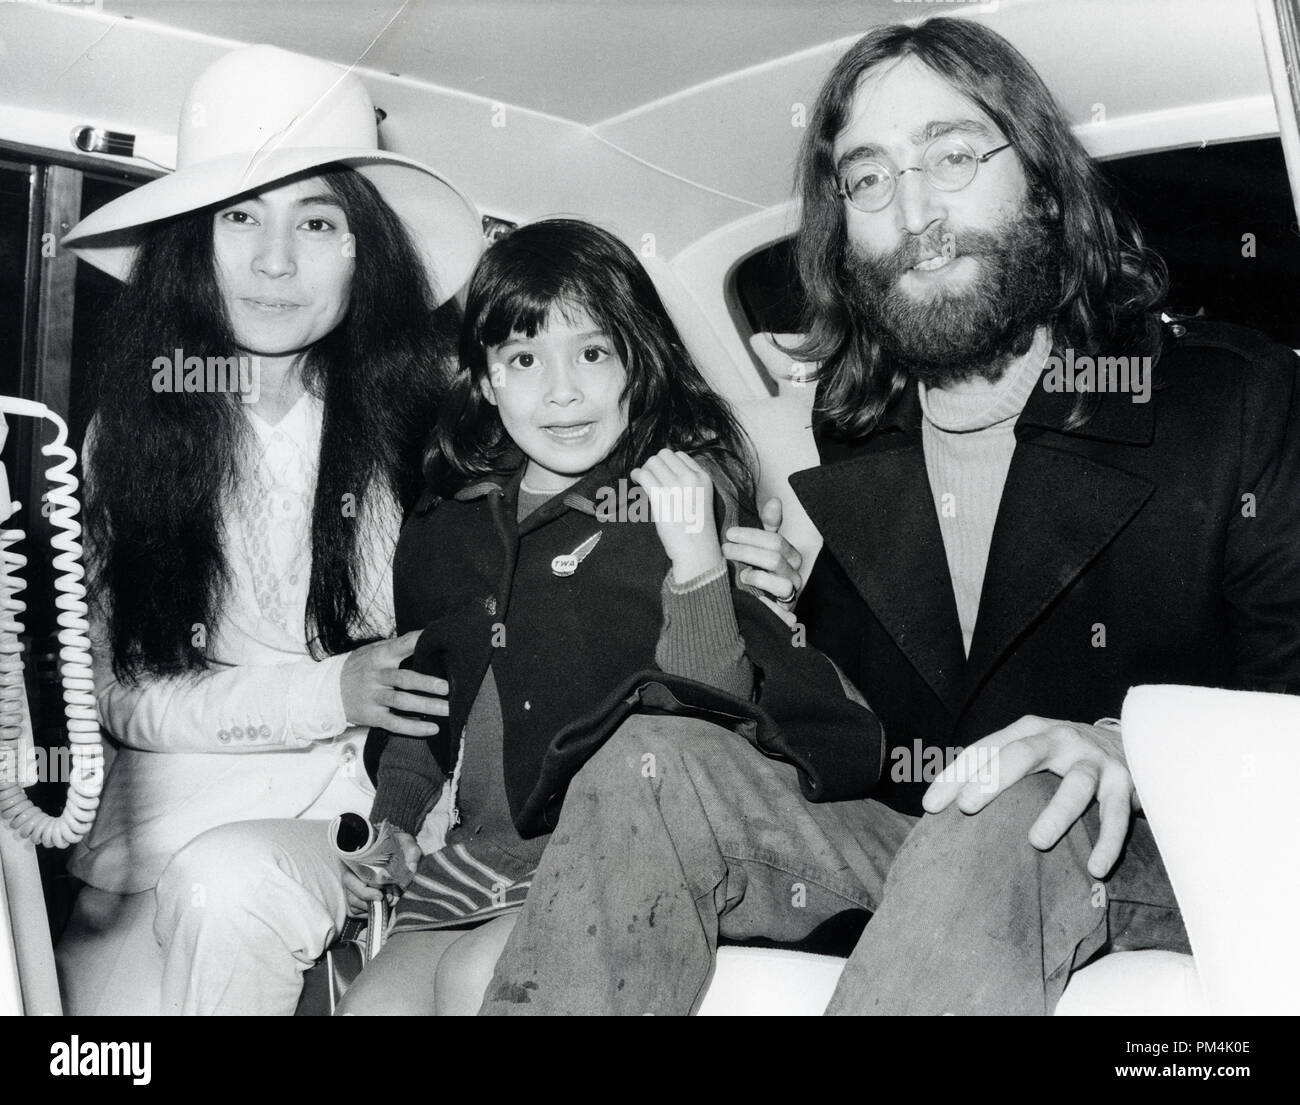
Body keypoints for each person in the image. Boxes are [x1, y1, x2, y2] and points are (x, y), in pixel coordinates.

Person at [479, 17, 1300, 1015]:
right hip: (929, 847)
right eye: (867, 178)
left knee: (1015, 798)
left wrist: (1121, 744)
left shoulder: (1230, 399)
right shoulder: (854, 426)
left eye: (952, 155)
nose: (914, 210)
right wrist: (779, 636)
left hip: (1157, 845)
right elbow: (866, 749)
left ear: (1041, 180)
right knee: (651, 762)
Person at [336, 218, 883, 1015]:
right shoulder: (444, 524)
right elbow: (425, 713)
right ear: (485, 382)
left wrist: (699, 561)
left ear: (637, 363)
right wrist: (390, 829)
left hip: (603, 856)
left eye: (593, 353)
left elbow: (711, 720)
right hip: (466, 864)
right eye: (523, 360)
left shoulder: (680, 499)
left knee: (475, 985)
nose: (562, 392)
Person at [54, 44, 483, 1015]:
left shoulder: (433, 425)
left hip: (350, 828)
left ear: (360, 248)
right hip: (151, 841)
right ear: (190, 247)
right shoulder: (133, 431)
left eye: (316, 220)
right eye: (239, 217)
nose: (275, 260)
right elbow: (121, 696)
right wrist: (330, 689)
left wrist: (729, 568)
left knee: (229, 883)